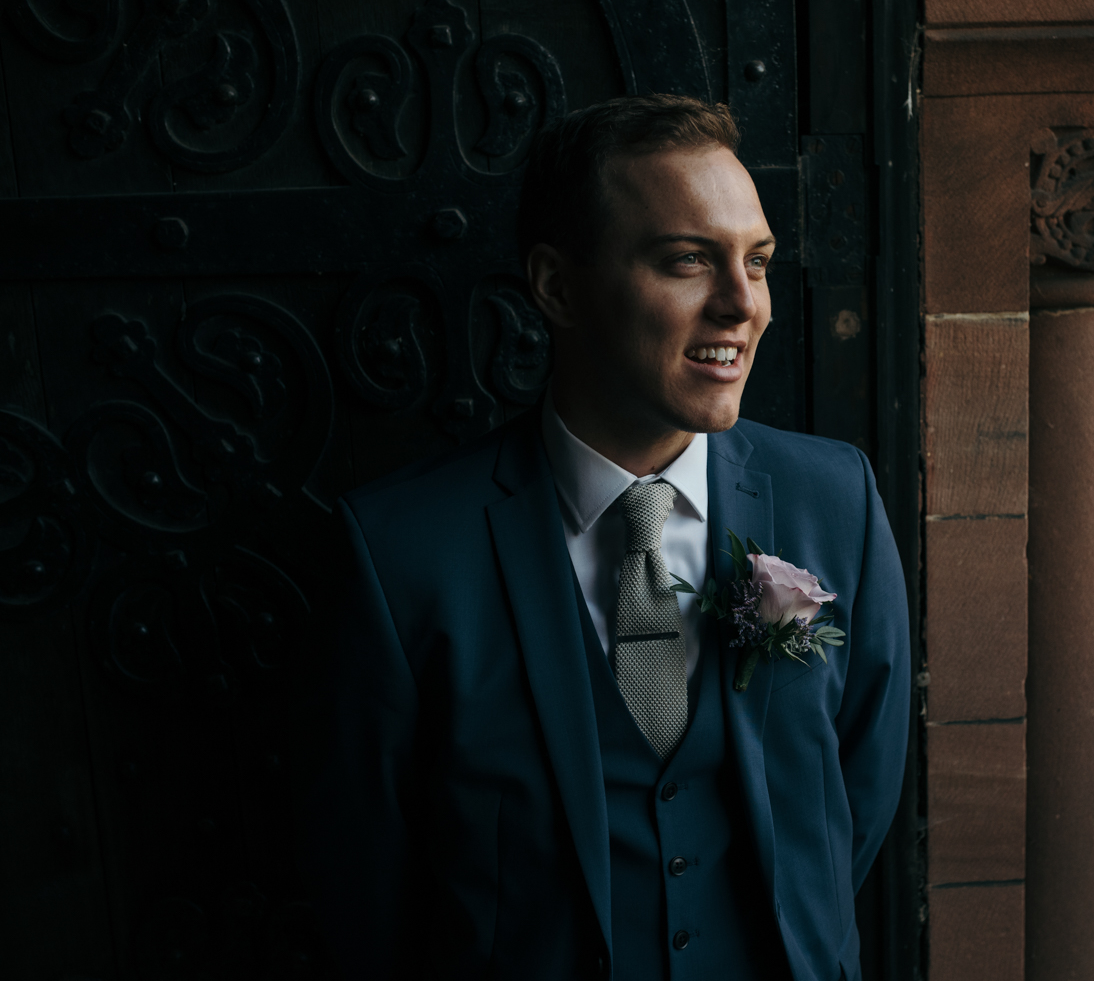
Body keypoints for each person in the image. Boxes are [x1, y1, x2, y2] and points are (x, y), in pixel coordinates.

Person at [302, 94, 910, 981]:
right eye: (687, 262)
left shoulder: (835, 501)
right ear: (557, 287)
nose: (742, 306)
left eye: (760, 261)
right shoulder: (400, 552)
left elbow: (857, 798)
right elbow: (368, 887)